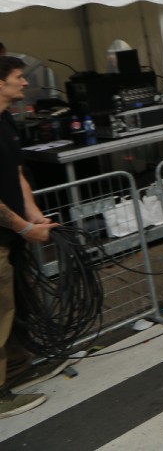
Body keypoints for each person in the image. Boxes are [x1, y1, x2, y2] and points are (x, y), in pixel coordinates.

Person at [0, 57, 61, 419]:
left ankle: (16, 371)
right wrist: (24, 227)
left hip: (10, 236)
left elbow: (17, 172)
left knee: (14, 306)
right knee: (0, 312)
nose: (25, 83)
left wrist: (33, 211)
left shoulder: (6, 119)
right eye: (19, 77)